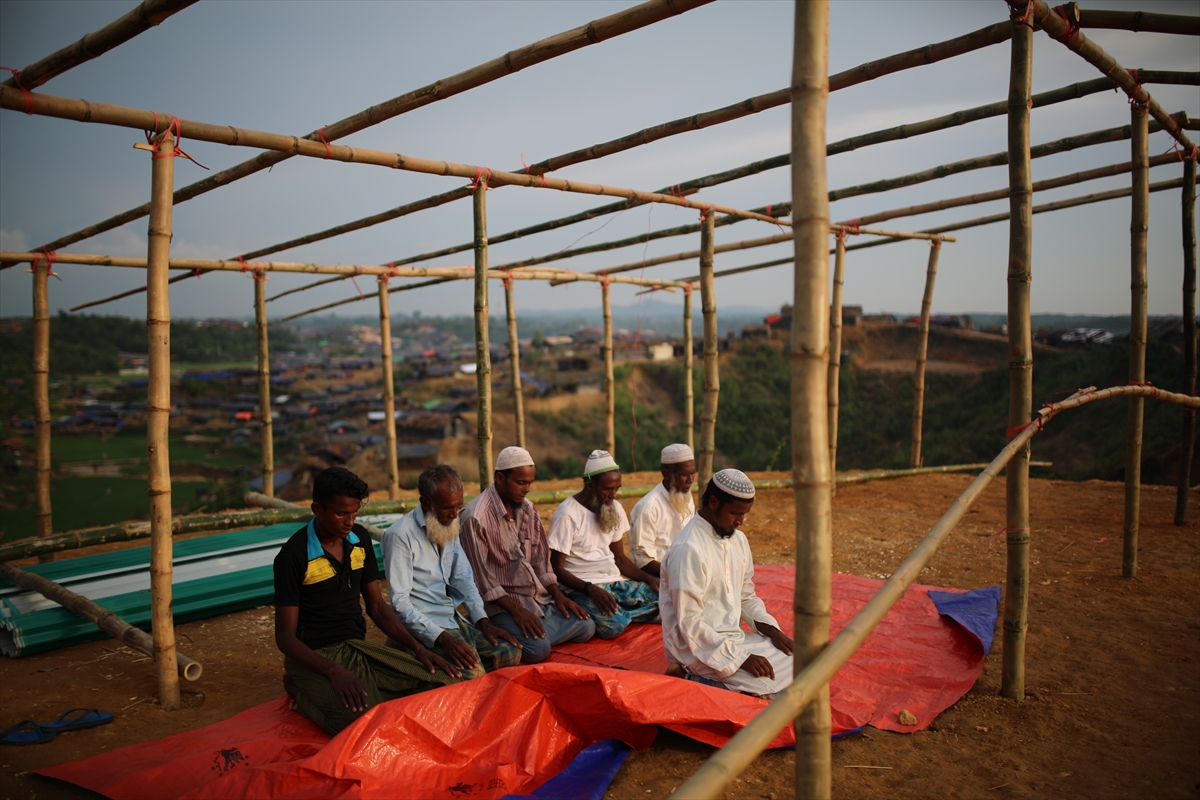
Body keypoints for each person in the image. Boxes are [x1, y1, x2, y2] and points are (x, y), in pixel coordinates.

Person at [273, 466, 461, 735]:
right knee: (364, 727)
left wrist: (418, 649)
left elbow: (377, 608)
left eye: (354, 512)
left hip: (358, 648)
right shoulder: (293, 557)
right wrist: (333, 671)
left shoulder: (359, 540)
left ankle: (360, 689)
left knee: (444, 682)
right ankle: (299, 691)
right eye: (341, 513)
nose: (350, 521)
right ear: (317, 509)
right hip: (317, 654)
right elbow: (285, 639)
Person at [660, 468, 795, 698]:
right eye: (735, 513)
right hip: (696, 648)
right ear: (713, 503)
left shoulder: (738, 540)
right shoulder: (688, 549)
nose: (741, 521)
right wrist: (739, 659)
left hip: (734, 640)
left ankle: (729, 686)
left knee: (801, 663)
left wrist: (773, 631)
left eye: (744, 514)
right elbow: (690, 623)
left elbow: (746, 596)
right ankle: (690, 676)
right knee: (765, 685)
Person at [381, 464, 522, 680]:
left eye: (458, 506)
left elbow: (463, 578)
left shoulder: (449, 522)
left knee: (510, 652)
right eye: (447, 508)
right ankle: (408, 655)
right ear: (426, 502)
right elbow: (400, 603)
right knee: (474, 674)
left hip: (452, 617)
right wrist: (442, 639)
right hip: (427, 623)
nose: (455, 514)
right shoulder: (400, 535)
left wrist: (482, 621)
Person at [459, 446, 595, 663]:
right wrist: (517, 611)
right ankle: (509, 630)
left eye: (529, 483)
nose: (527, 489)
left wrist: (559, 596)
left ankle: (538, 630)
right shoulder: (475, 518)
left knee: (587, 626)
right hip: (500, 605)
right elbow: (482, 582)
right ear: (500, 478)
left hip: (535, 597)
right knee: (538, 649)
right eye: (521, 483)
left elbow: (541, 562)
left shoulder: (528, 509)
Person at [547, 449, 660, 639]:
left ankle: (626, 614)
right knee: (612, 625)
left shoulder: (613, 507)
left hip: (613, 582)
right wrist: (590, 589)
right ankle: (628, 614)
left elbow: (620, 559)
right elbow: (556, 569)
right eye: (608, 489)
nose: (613, 495)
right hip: (582, 587)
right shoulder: (567, 514)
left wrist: (648, 579)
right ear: (590, 485)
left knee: (666, 599)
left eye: (617, 488)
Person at [629, 443, 697, 577]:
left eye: (693, 474)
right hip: (661, 578)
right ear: (667, 474)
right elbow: (643, 560)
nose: (690, 480)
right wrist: (676, 574)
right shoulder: (648, 507)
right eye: (684, 475)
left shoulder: (686, 497)